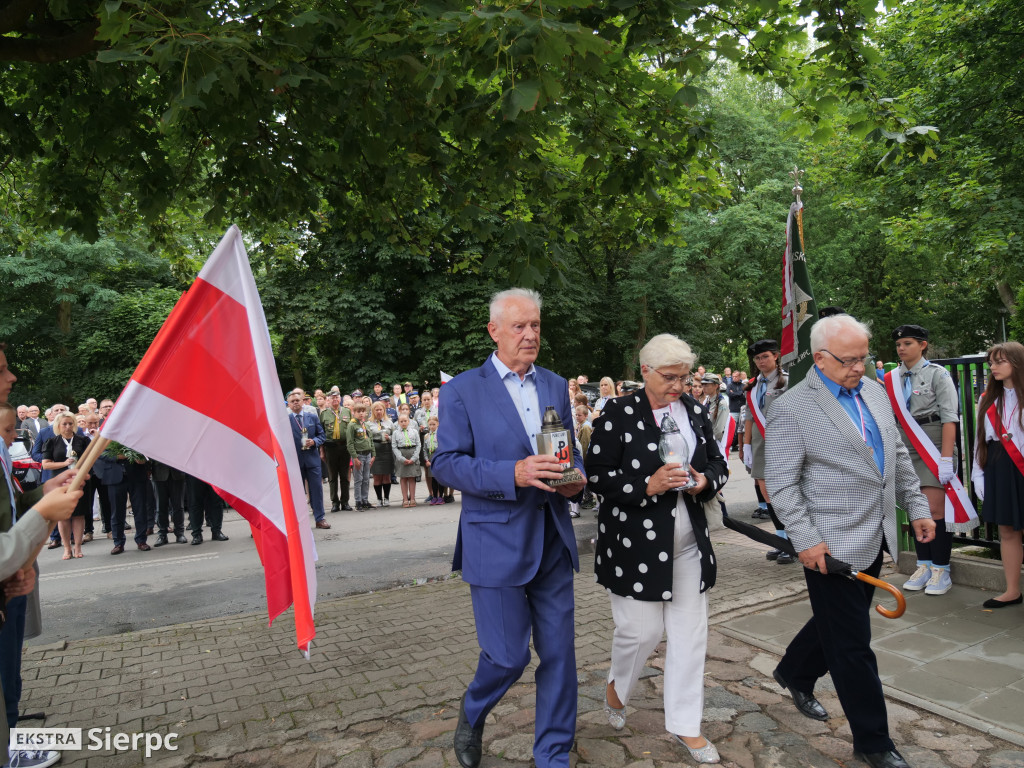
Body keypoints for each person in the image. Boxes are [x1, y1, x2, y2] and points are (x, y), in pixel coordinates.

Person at [765, 314, 934, 768]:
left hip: (874, 533)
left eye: (864, 357)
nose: (860, 367)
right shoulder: (791, 407)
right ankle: (874, 741)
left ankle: (794, 671)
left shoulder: (875, 392)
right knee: (853, 645)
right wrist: (806, 540)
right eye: (849, 360)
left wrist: (916, 507)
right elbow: (781, 484)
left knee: (841, 623)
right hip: (828, 546)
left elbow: (896, 455)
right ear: (820, 359)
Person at [431, 288, 585, 768]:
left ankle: (552, 756)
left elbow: (569, 456)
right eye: (519, 326)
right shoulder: (462, 389)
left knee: (560, 656)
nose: (530, 334)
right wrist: (512, 474)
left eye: (536, 325)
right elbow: (447, 464)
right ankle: (473, 711)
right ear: (494, 331)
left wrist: (573, 482)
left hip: (552, 539)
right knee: (507, 658)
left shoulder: (556, 385)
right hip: (494, 541)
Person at [587, 334, 728, 764]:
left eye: (685, 377)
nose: (679, 386)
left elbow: (718, 463)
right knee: (641, 632)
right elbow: (596, 475)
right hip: (634, 545)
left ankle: (687, 726)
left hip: (688, 543)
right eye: (670, 377)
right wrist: (645, 486)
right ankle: (616, 688)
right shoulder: (618, 413)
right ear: (645, 372)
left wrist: (704, 480)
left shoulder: (694, 410)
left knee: (690, 636)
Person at [889, 325, 960, 596]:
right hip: (904, 441)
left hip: (931, 439)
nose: (901, 348)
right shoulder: (892, 378)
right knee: (914, 506)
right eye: (898, 344)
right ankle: (924, 565)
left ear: (923, 345)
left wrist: (945, 458)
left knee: (935, 510)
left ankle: (942, 569)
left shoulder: (937, 375)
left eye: (907, 343)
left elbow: (949, 418)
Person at [970, 341, 1024, 609]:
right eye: (991, 362)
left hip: (1022, 464)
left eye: (999, 361)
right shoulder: (987, 399)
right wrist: (977, 474)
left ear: (1016, 363)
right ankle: (1012, 590)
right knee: (1007, 529)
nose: (992, 367)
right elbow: (980, 441)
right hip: (999, 466)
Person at [742, 339, 793, 563]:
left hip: (784, 443)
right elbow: (749, 419)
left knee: (786, 493)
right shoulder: (752, 386)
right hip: (760, 444)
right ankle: (781, 539)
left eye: (765, 356)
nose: (761, 361)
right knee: (767, 494)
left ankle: (793, 541)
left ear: (776, 356)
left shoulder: (787, 382)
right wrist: (745, 445)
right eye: (757, 358)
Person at [40, 414, 91, 559]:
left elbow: (90, 459)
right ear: (58, 425)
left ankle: (78, 548)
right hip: (61, 483)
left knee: (79, 515)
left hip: (80, 482)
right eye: (64, 424)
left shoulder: (83, 440)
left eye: (70, 423)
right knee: (63, 516)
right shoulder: (52, 442)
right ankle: (67, 548)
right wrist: (65, 463)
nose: (68, 427)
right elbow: (46, 464)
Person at [287, 389, 329, 528]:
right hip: (295, 461)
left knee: (316, 489)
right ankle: (299, 521)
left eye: (297, 400)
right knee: (297, 492)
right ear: (289, 404)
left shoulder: (312, 417)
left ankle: (320, 518)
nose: (295, 403)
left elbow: (322, 435)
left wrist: (315, 442)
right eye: (292, 401)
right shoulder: (285, 421)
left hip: (312, 459)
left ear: (302, 402)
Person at [320, 388, 353, 512]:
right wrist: (322, 451)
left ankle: (345, 502)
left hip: (344, 447)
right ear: (328, 400)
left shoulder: (346, 411)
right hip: (330, 447)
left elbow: (350, 431)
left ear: (340, 399)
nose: (335, 399)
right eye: (332, 398)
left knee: (344, 476)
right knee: (332, 476)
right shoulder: (324, 414)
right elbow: (321, 433)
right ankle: (334, 502)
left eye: (337, 397)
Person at [346, 402, 375, 511]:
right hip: (359, 455)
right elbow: (350, 443)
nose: (361, 414)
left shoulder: (365, 424)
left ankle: (365, 500)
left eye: (363, 411)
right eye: (359, 412)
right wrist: (355, 458)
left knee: (366, 479)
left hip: (367, 454)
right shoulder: (352, 425)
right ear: (354, 413)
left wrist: (373, 454)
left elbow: (370, 439)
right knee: (358, 479)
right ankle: (358, 501)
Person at [367, 401, 395, 507]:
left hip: (387, 450)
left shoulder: (390, 422)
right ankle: (379, 499)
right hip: (375, 451)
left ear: (384, 410)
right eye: (376, 410)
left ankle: (387, 498)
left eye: (380, 409)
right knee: (377, 476)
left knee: (386, 476)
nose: (379, 412)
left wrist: (390, 438)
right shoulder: (368, 423)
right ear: (373, 411)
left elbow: (395, 436)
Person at [391, 412, 420, 507]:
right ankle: (405, 499)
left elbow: (418, 444)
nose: (403, 423)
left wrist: (414, 458)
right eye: (401, 421)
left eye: (405, 421)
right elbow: (394, 447)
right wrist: (401, 458)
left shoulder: (414, 431)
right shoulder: (395, 433)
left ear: (409, 421)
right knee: (403, 478)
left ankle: (412, 498)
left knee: (412, 477)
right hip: (401, 455)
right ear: (398, 422)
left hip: (412, 454)